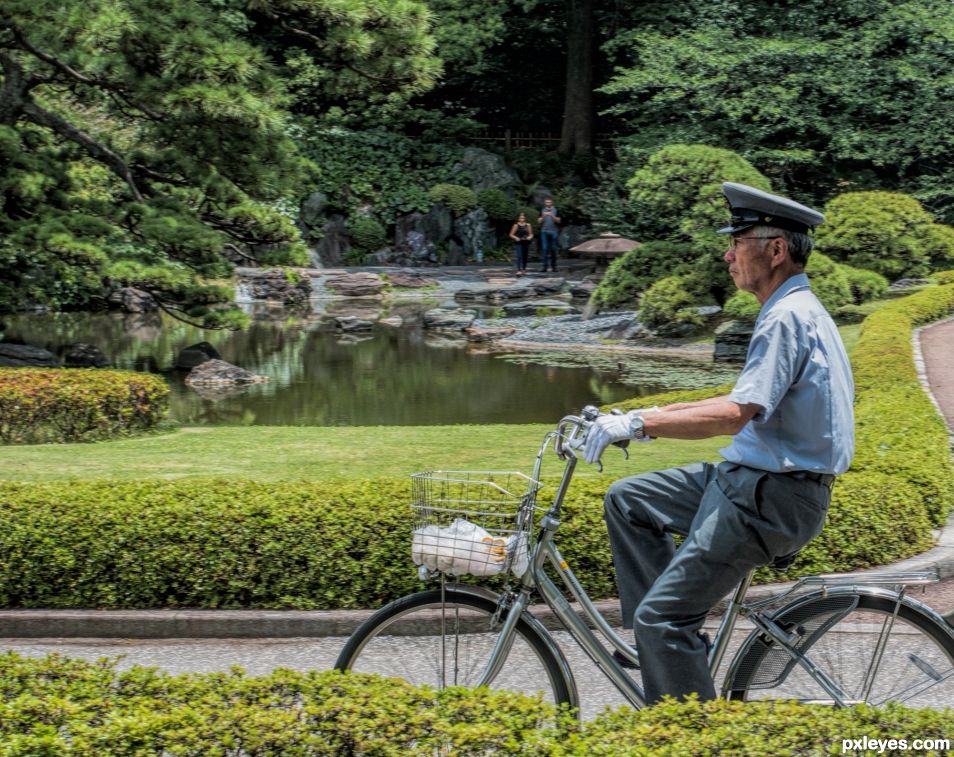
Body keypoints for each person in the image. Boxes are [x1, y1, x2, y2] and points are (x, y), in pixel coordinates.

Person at [582, 182, 855, 704]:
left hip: (769, 497)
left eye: (739, 240)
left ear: (776, 250)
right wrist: (643, 413)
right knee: (629, 499)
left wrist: (638, 428)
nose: (728, 253)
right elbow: (741, 398)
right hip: (753, 484)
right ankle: (660, 646)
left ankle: (687, 724)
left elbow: (734, 415)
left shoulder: (785, 317)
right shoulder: (793, 308)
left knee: (662, 618)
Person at [537, 197, 561, 272]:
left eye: (549, 202)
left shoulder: (556, 210)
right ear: (545, 203)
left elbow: (559, 221)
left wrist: (552, 215)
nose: (548, 204)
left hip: (553, 232)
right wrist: (544, 215)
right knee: (544, 249)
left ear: (552, 203)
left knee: (553, 249)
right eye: (547, 202)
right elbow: (539, 221)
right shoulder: (542, 210)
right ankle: (544, 267)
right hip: (544, 232)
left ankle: (554, 267)